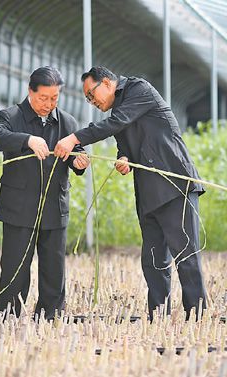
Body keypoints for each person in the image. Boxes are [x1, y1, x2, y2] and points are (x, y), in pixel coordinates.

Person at [54, 66, 206, 321]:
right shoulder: (120, 110)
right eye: (88, 100)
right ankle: (158, 317)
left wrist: (74, 138)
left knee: (186, 257)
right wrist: (123, 158)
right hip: (149, 194)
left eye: (92, 95)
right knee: (153, 260)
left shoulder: (139, 89)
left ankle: (197, 318)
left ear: (106, 82)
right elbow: (124, 145)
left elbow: (116, 123)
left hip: (174, 186)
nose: (92, 102)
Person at [0, 66, 90, 319]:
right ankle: (9, 316)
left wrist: (79, 162)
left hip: (54, 207)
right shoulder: (11, 116)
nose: (48, 104)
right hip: (19, 207)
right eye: (43, 98)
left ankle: (51, 315)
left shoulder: (67, 122)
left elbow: (78, 154)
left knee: (54, 268)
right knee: (15, 268)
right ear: (30, 92)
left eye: (54, 98)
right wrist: (27, 140)